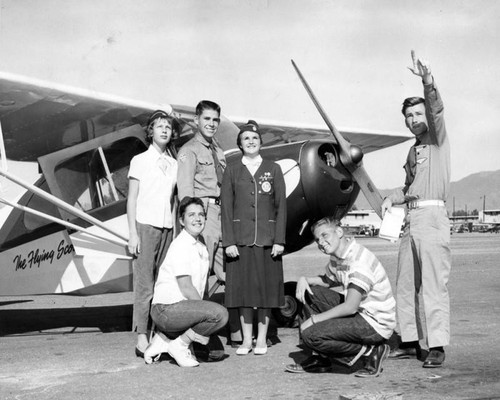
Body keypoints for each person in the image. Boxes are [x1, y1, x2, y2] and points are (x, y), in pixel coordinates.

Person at [381, 51, 451, 368]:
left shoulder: (437, 139)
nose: (413, 120)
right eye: (408, 116)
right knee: (405, 285)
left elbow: (436, 109)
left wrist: (427, 81)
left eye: (417, 114)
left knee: (434, 287)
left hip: (433, 220)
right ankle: (409, 341)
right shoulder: (414, 151)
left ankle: (436, 345)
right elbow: (408, 188)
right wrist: (390, 197)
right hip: (411, 220)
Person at [285, 217, 396, 377]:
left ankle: (371, 351)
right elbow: (329, 280)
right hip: (361, 312)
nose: (321, 243)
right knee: (311, 292)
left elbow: (350, 307)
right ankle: (320, 359)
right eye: (317, 240)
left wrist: (315, 320)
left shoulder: (359, 262)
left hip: (375, 323)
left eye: (325, 236)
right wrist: (305, 280)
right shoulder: (339, 255)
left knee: (311, 335)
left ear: (339, 232)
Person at [221, 120, 287, 355]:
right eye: (246, 138)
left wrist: (279, 240)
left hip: (268, 241)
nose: (250, 142)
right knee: (244, 293)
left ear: (261, 142)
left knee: (266, 293)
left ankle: (262, 340)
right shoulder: (232, 169)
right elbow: (226, 209)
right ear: (240, 143)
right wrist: (228, 242)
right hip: (240, 241)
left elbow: (281, 207)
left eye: (254, 138)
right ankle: (247, 340)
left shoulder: (273, 169)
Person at [144, 196, 229, 367]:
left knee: (216, 353)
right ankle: (179, 345)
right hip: (166, 310)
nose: (197, 219)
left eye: (201, 214)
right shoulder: (181, 245)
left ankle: (164, 340)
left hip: (183, 307)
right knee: (220, 314)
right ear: (182, 221)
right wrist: (206, 313)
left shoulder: (201, 246)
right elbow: (186, 287)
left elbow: (201, 289)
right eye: (191, 215)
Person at [127, 110, 177, 357]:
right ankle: (141, 335)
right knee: (145, 283)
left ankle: (161, 332)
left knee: (162, 282)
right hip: (145, 226)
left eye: (168, 126)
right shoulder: (139, 160)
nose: (164, 130)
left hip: (167, 227)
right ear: (151, 131)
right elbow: (132, 199)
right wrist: (132, 234)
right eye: (159, 126)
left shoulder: (175, 164)